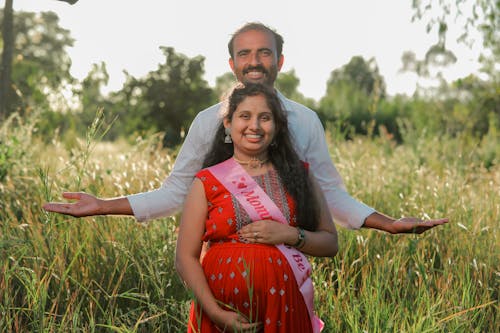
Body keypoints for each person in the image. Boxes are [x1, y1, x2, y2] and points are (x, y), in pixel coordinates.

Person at [43, 22, 448, 234]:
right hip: (219, 271)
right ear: (233, 64)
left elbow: (331, 196)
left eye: (264, 52)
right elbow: (174, 194)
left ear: (280, 61)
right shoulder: (207, 121)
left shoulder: (305, 120)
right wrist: (102, 205)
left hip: (286, 267)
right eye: (244, 54)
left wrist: (388, 222)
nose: (254, 61)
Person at [176, 82, 337, 333]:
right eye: (245, 116)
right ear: (228, 123)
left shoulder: (301, 176)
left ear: (277, 126)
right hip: (219, 312)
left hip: (284, 307)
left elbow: (330, 244)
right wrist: (217, 314)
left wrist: (289, 235)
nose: (255, 126)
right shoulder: (207, 181)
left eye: (265, 117)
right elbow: (185, 257)